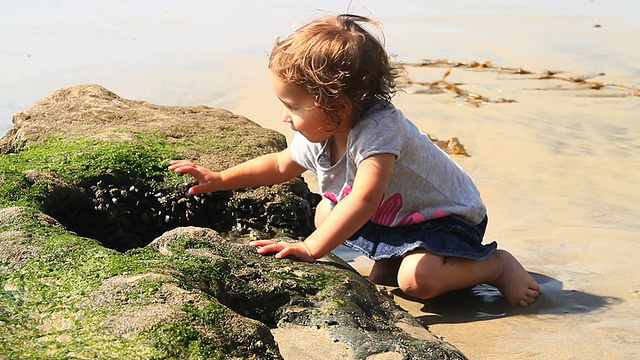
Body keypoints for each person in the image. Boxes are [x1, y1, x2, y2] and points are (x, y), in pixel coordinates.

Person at [168, 14, 540, 306]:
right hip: (399, 217)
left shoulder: (379, 130)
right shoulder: (325, 128)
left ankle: (496, 265)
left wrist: (313, 248)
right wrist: (219, 178)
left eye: (292, 107)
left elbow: (365, 200)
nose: (285, 117)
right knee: (326, 213)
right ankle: (397, 258)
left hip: (445, 218)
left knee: (418, 281)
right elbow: (282, 165)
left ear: (339, 107)